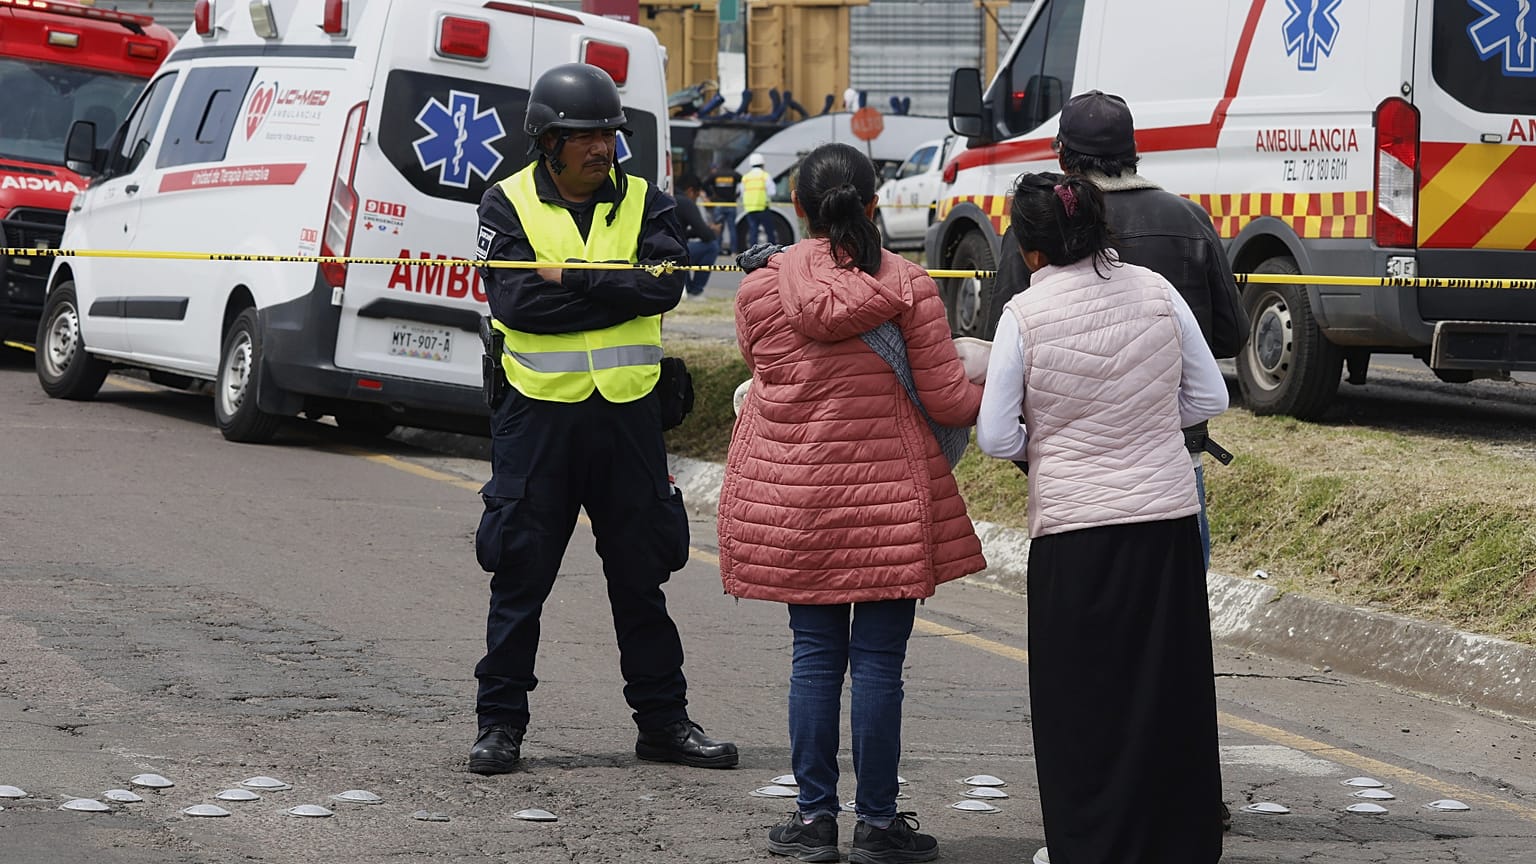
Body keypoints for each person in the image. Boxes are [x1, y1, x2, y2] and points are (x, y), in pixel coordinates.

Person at [469, 62, 737, 775]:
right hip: (538, 420)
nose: (602, 147)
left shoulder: (649, 201)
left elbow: (664, 290)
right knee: (520, 578)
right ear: (548, 141)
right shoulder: (506, 203)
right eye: (585, 136)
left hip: (628, 420)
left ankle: (664, 723)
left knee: (641, 579)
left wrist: (569, 276)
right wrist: (617, 290)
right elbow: (519, 305)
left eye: (609, 134)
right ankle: (499, 726)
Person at [721, 142, 986, 864]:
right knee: (877, 664)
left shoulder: (758, 290)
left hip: (799, 501)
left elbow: (766, 374)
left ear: (797, 207)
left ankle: (814, 821)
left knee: (813, 658)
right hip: (888, 504)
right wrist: (1005, 390)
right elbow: (947, 399)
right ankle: (876, 824)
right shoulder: (907, 282)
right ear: (873, 204)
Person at [977, 172, 1228, 864]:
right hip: (1165, 520)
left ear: (1030, 249)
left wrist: (1048, 445)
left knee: (1082, 697)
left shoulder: (1024, 315)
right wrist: (1149, 426)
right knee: (1165, 686)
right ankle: (1176, 842)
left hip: (1075, 529)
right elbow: (1209, 395)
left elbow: (995, 435)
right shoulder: (1157, 290)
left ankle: (1089, 844)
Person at [985, 90, 1246, 572]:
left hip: (1069, 483)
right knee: (1173, 608)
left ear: (1061, 157)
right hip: (1170, 467)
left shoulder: (1035, 232)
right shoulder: (1189, 218)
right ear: (1134, 151)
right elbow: (1229, 337)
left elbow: (999, 350)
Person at [674, 174, 720, 299]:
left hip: (662, 252)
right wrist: (712, 230)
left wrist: (695, 232)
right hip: (675, 255)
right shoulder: (685, 202)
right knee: (712, 246)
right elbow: (706, 235)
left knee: (683, 247)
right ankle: (696, 291)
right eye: (697, 196)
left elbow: (679, 233)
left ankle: (686, 287)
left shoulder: (667, 196)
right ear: (690, 191)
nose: (696, 200)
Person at [741, 152, 776, 247]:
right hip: (763, 207)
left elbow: (742, 193)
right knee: (769, 231)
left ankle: (753, 252)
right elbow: (772, 192)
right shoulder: (765, 176)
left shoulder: (745, 177)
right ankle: (773, 250)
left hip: (750, 208)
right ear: (762, 164)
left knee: (753, 232)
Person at [707, 162, 742, 254]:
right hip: (731, 204)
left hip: (719, 204)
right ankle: (734, 250)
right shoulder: (734, 174)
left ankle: (717, 250)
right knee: (732, 228)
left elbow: (705, 184)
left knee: (718, 228)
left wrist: (711, 195)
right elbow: (744, 182)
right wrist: (737, 195)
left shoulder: (716, 174)